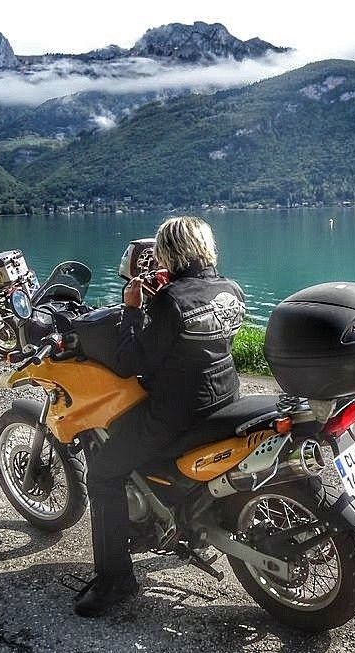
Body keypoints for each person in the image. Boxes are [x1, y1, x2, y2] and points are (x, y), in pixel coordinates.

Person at [75, 216, 246, 618]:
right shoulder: (230, 289)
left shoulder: (168, 300)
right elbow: (202, 344)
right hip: (227, 395)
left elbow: (130, 362)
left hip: (177, 412)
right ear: (205, 246)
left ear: (168, 251)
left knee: (102, 474)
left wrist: (135, 309)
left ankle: (116, 579)